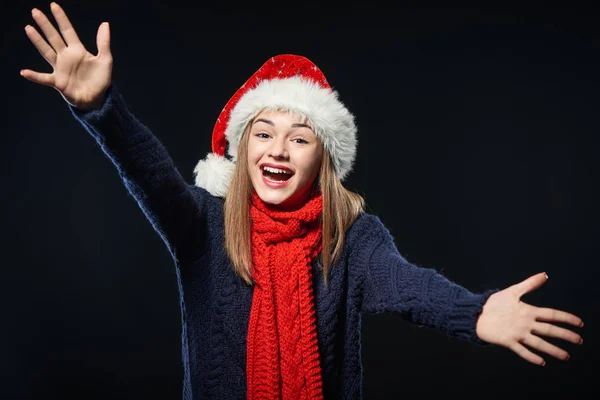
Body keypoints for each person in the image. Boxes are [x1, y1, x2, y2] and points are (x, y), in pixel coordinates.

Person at [20, 3, 584, 399]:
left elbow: (409, 286)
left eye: (300, 137)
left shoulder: (354, 237)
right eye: (263, 133)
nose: (279, 150)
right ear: (241, 151)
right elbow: (150, 173)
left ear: (323, 159)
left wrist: (476, 311)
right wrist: (102, 110)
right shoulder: (202, 224)